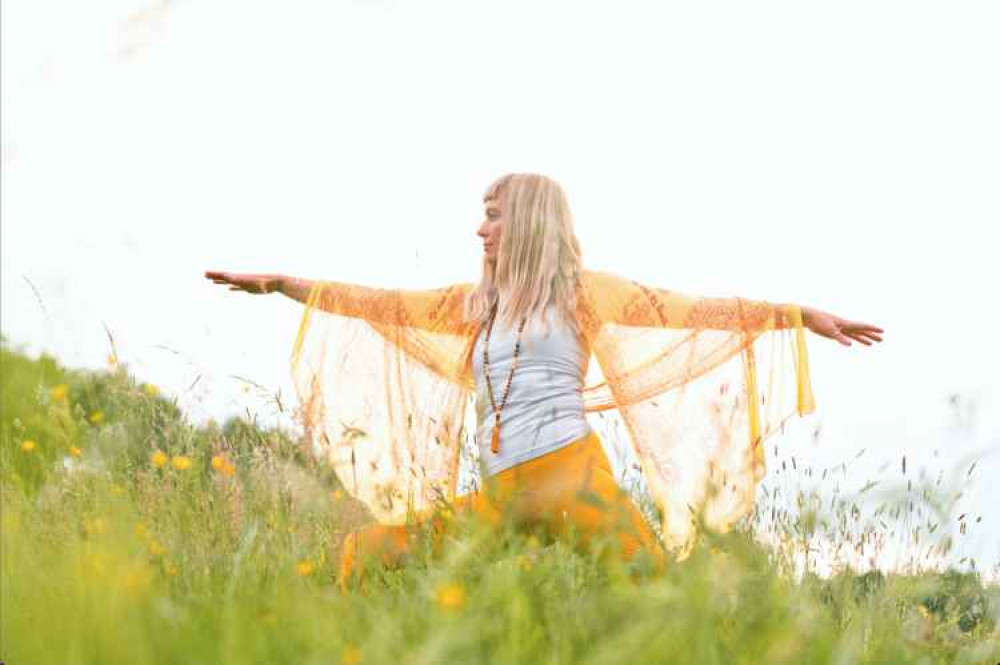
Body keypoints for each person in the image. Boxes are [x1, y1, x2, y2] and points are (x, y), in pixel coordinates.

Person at [205, 173, 883, 592]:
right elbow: (382, 303)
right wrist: (286, 285)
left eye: (493, 213)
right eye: (482, 213)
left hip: (571, 477)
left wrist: (798, 317)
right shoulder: (476, 306)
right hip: (504, 494)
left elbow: (697, 311)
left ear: (528, 218)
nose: (480, 226)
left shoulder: (585, 294)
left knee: (661, 599)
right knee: (371, 552)